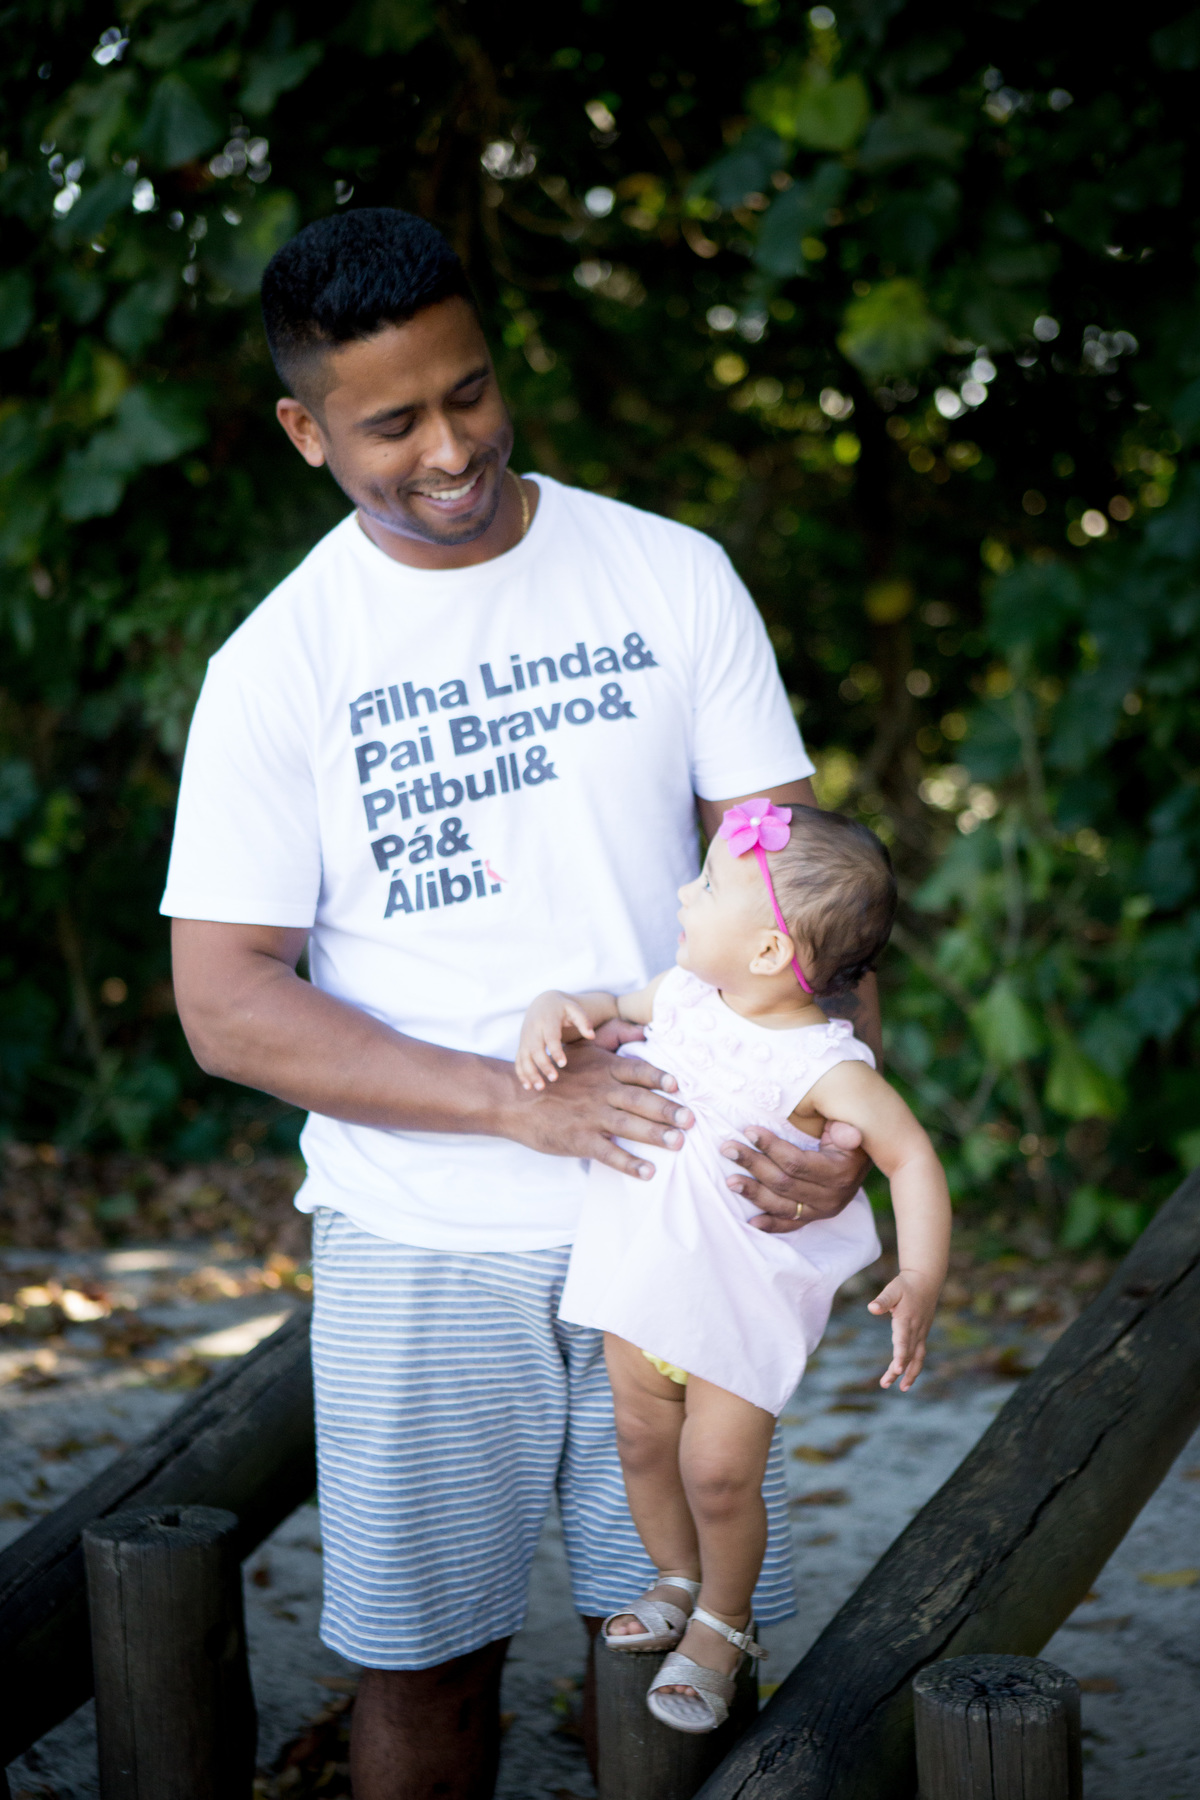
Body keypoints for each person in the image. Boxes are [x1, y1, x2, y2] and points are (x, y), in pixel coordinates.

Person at [163, 206, 881, 1800]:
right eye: (393, 421)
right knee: (421, 1670)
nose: (451, 446)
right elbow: (223, 1002)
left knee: (681, 1645)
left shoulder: (668, 575)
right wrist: (513, 1100)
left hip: (687, 1215)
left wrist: (835, 1117)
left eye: (469, 392)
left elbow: (795, 888)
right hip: (424, 1241)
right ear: (304, 430)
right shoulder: (279, 667)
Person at [517, 800, 951, 1734]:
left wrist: (921, 1277)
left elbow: (911, 1156)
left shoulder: (824, 1066)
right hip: (642, 1285)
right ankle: (674, 1576)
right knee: (638, 1442)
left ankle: (724, 1618)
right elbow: (604, 1006)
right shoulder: (678, 994)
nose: (684, 888)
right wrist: (559, 1009)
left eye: (710, 883)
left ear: (764, 952)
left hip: (732, 1311)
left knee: (717, 1472)